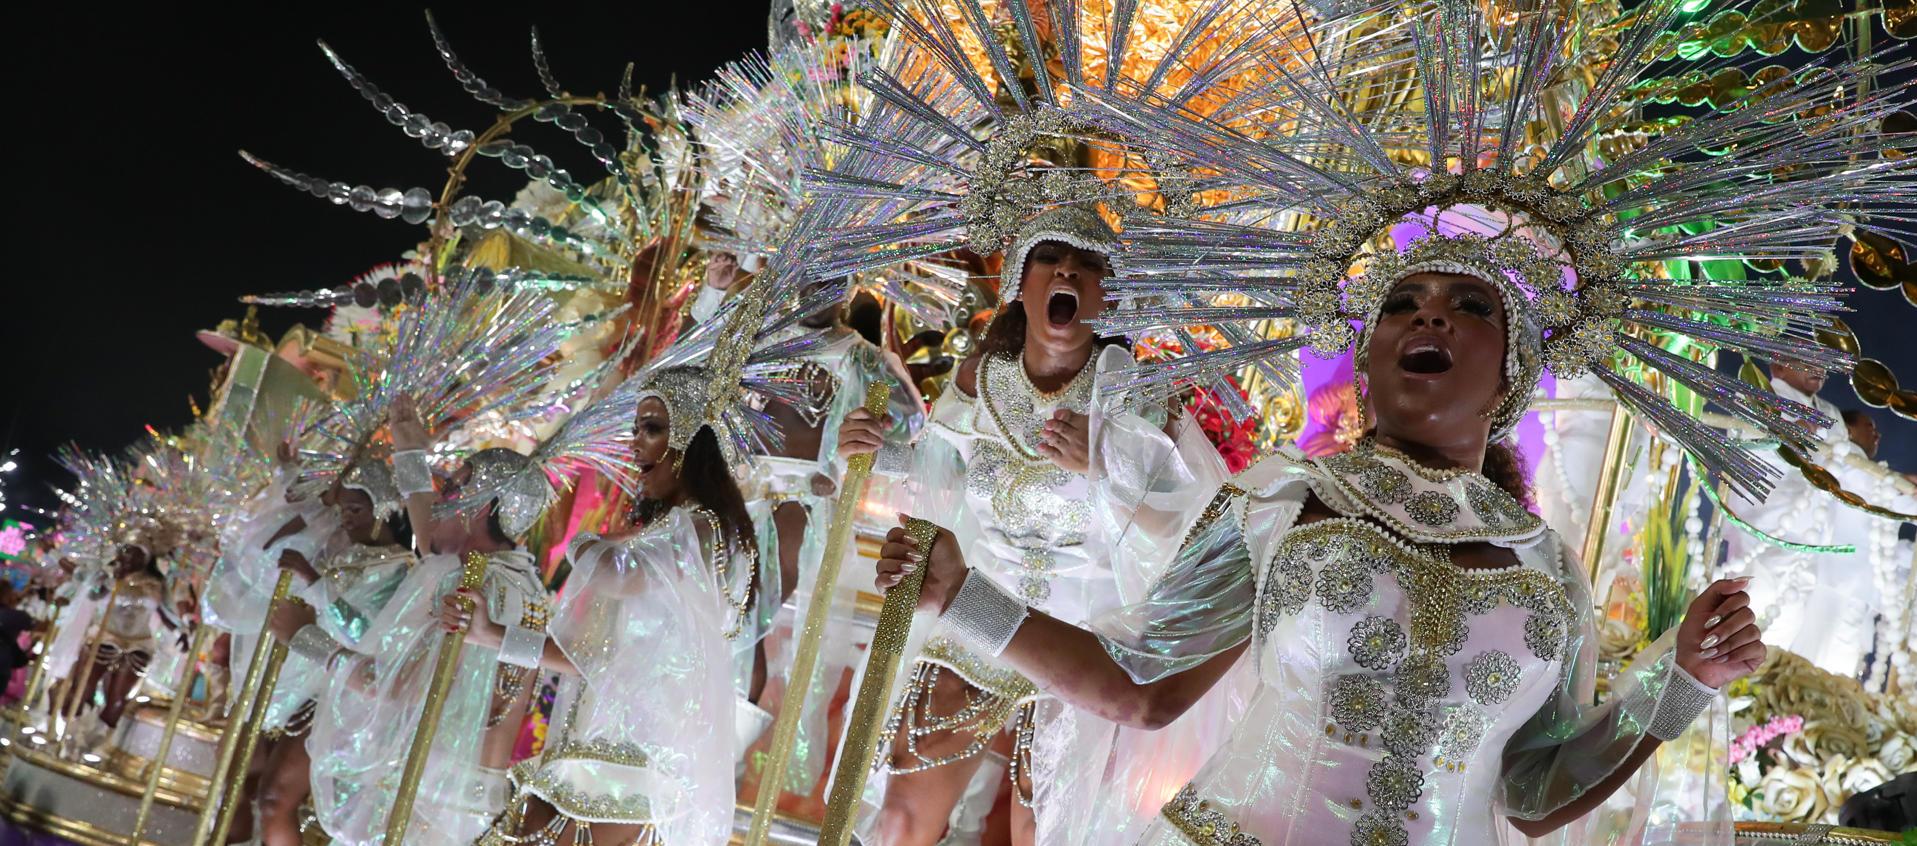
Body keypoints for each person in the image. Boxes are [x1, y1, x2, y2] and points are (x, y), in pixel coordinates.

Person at [838, 206, 1222, 845]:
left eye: (1088, 263)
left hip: (1076, 644)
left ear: (1107, 293)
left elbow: (1192, 533)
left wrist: (1105, 468)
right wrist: (880, 449)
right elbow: (945, 466)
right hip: (978, 615)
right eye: (1050, 257)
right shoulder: (980, 379)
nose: (1067, 269)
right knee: (902, 817)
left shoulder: (1142, 398)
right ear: (1021, 280)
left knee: (1044, 830)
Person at [462, 367, 754, 846]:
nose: (636, 443)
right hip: (595, 754)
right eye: (636, 429)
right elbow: (595, 658)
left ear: (691, 439)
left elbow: (616, 576)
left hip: (641, 765)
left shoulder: (704, 530)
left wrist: (586, 542)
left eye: (653, 428)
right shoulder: (667, 534)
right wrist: (492, 635)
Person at [298, 394, 557, 846]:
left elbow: (397, 687)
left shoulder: (469, 587)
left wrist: (307, 641)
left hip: (423, 799)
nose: (439, 500)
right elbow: (430, 538)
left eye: (454, 490)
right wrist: (409, 450)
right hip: (476, 804)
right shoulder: (520, 580)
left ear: (481, 508)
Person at [245, 464, 412, 846]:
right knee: (262, 789)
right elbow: (266, 547)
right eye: (343, 510)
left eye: (357, 509)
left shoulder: (402, 569)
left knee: (275, 800)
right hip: (304, 688)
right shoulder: (340, 553)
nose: (347, 518)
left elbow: (369, 634)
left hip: (346, 697)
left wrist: (314, 582)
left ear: (385, 508)